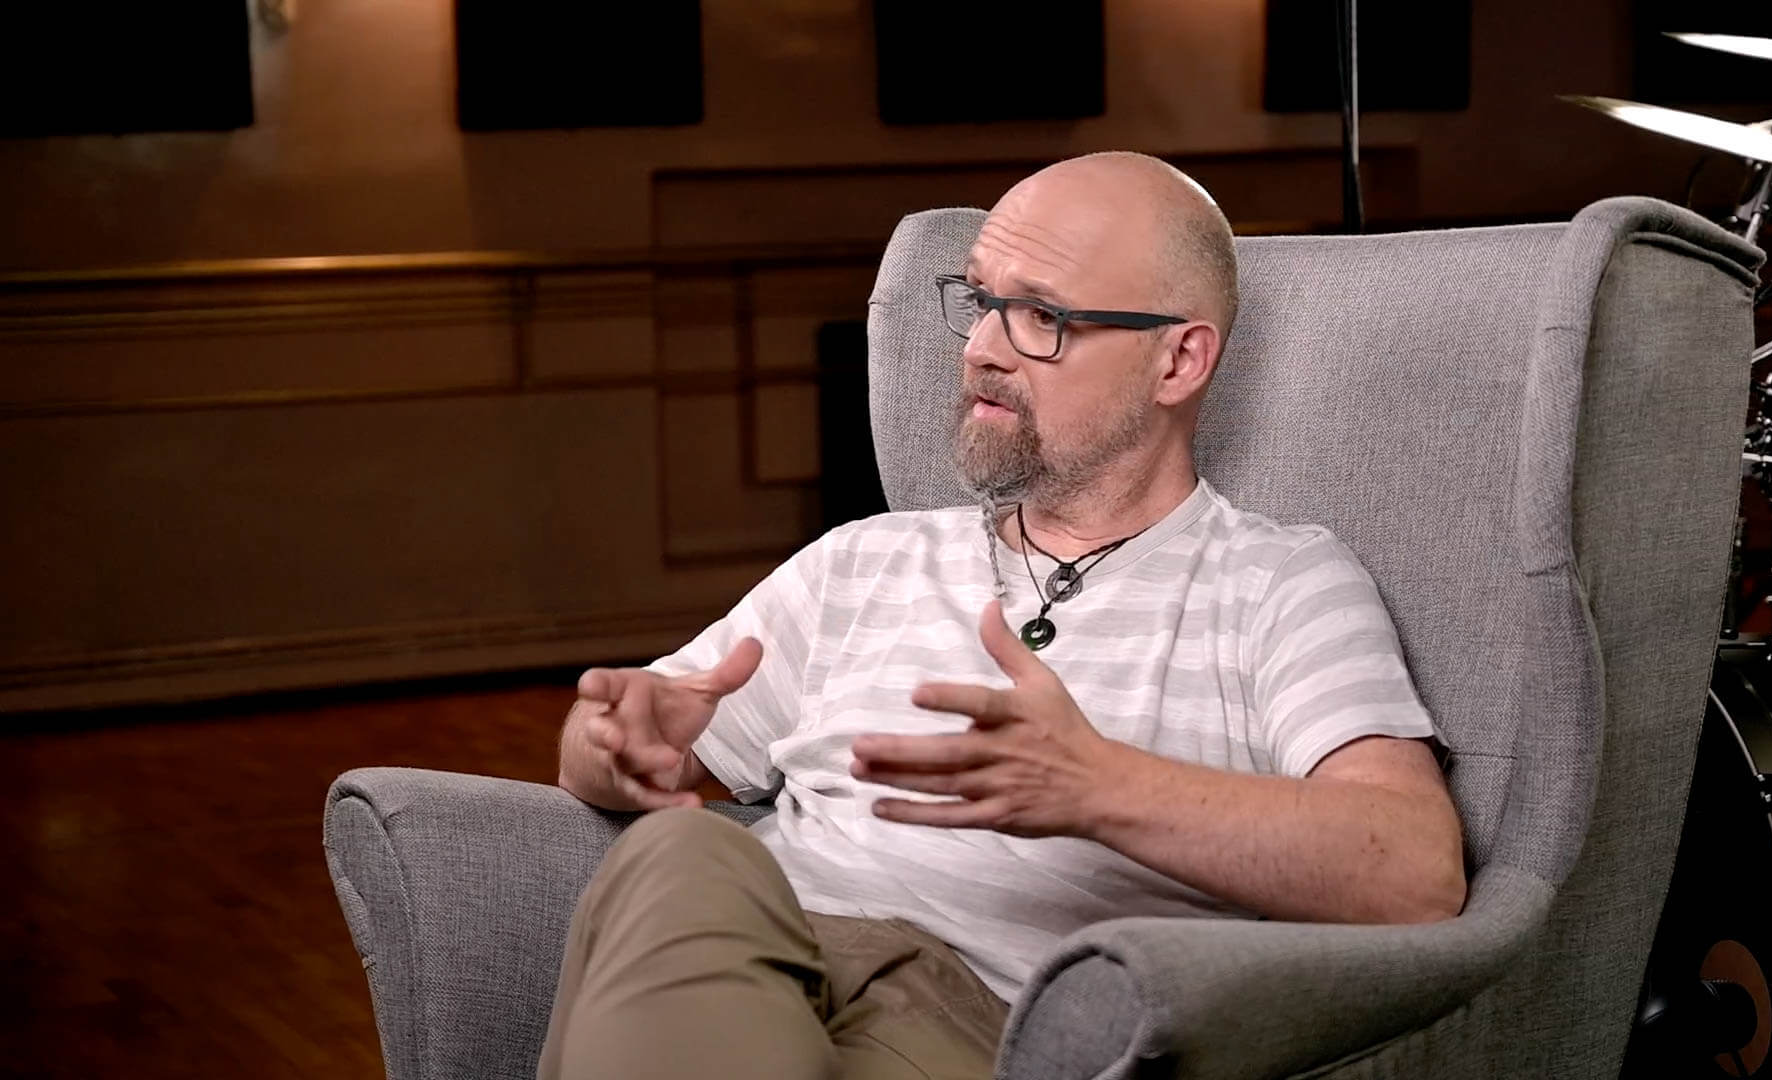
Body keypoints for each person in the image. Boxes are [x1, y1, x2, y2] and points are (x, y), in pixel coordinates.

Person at [537, 151, 1466, 1080]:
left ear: (1178, 359)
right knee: (678, 846)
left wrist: (1098, 786)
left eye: (1042, 316)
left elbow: (1414, 873)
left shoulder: (1278, 584)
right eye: (979, 300)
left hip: (974, 1019)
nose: (980, 346)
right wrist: (615, 741)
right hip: (751, 951)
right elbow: (619, 746)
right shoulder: (865, 557)